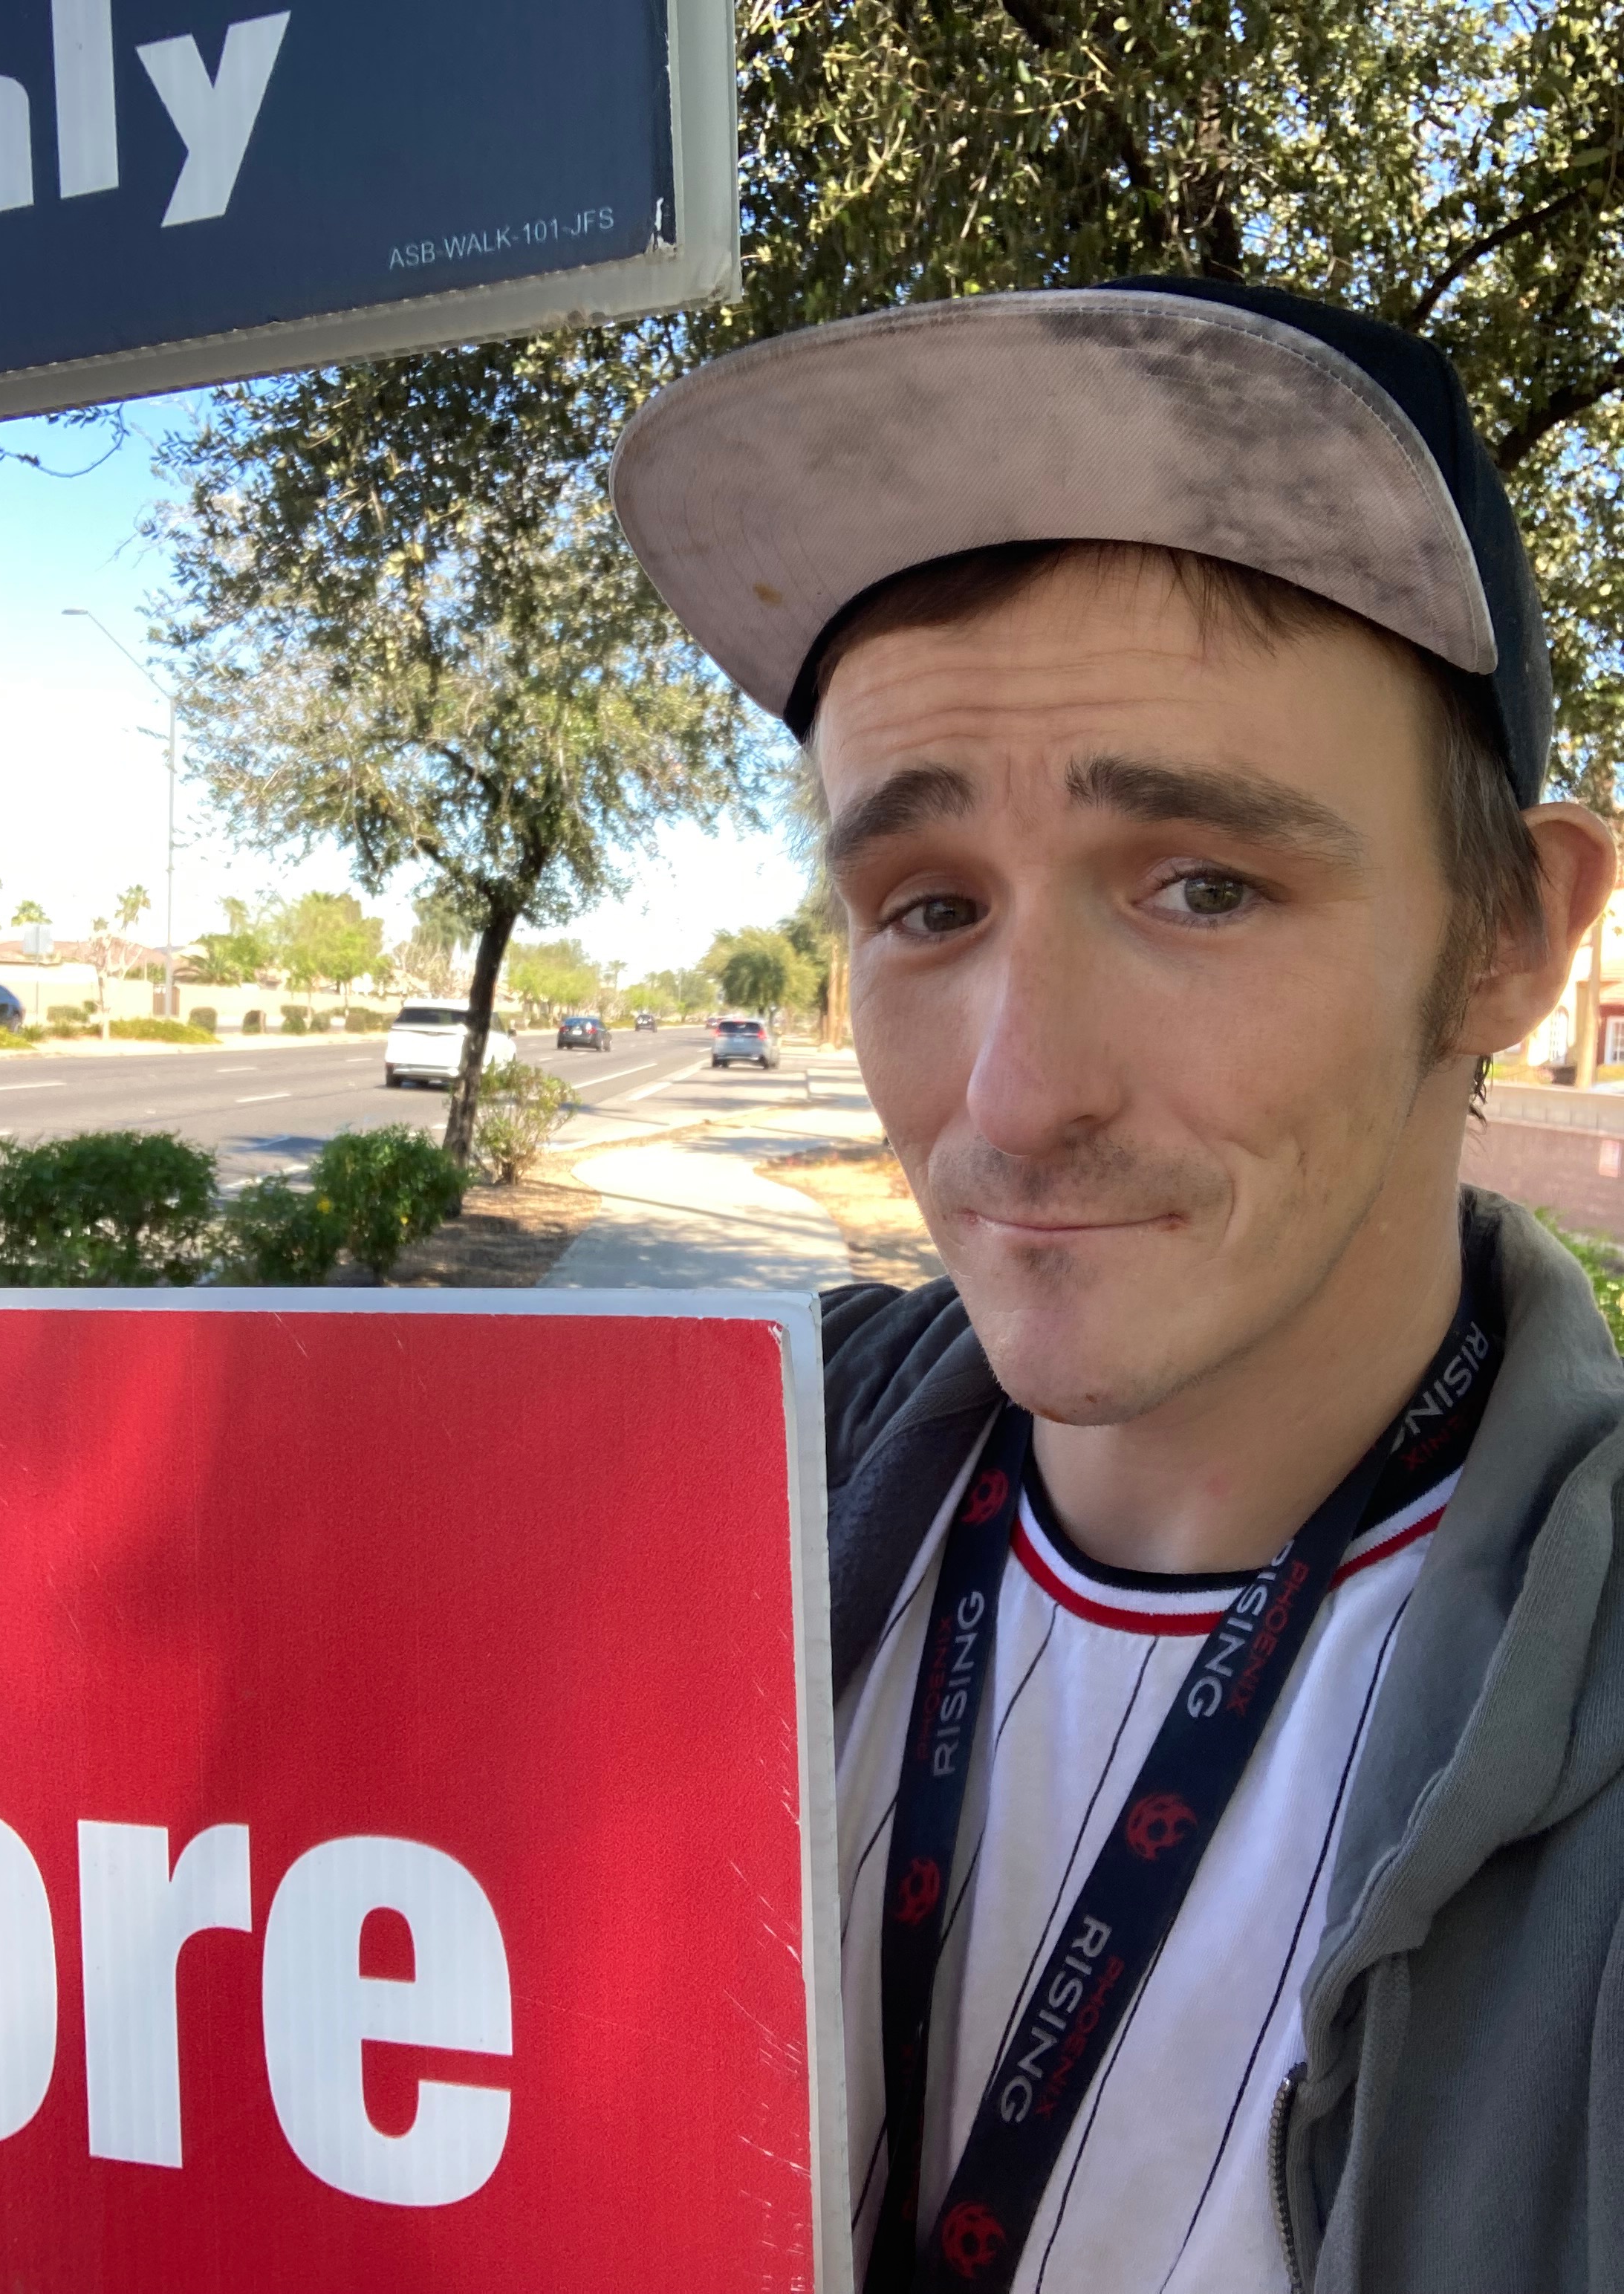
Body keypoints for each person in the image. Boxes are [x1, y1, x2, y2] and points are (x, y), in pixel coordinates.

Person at [611, 279, 1624, 2293]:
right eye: (928, 908)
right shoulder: (679, 1493)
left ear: (1513, 936)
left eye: (1203, 885)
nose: (1013, 1098)